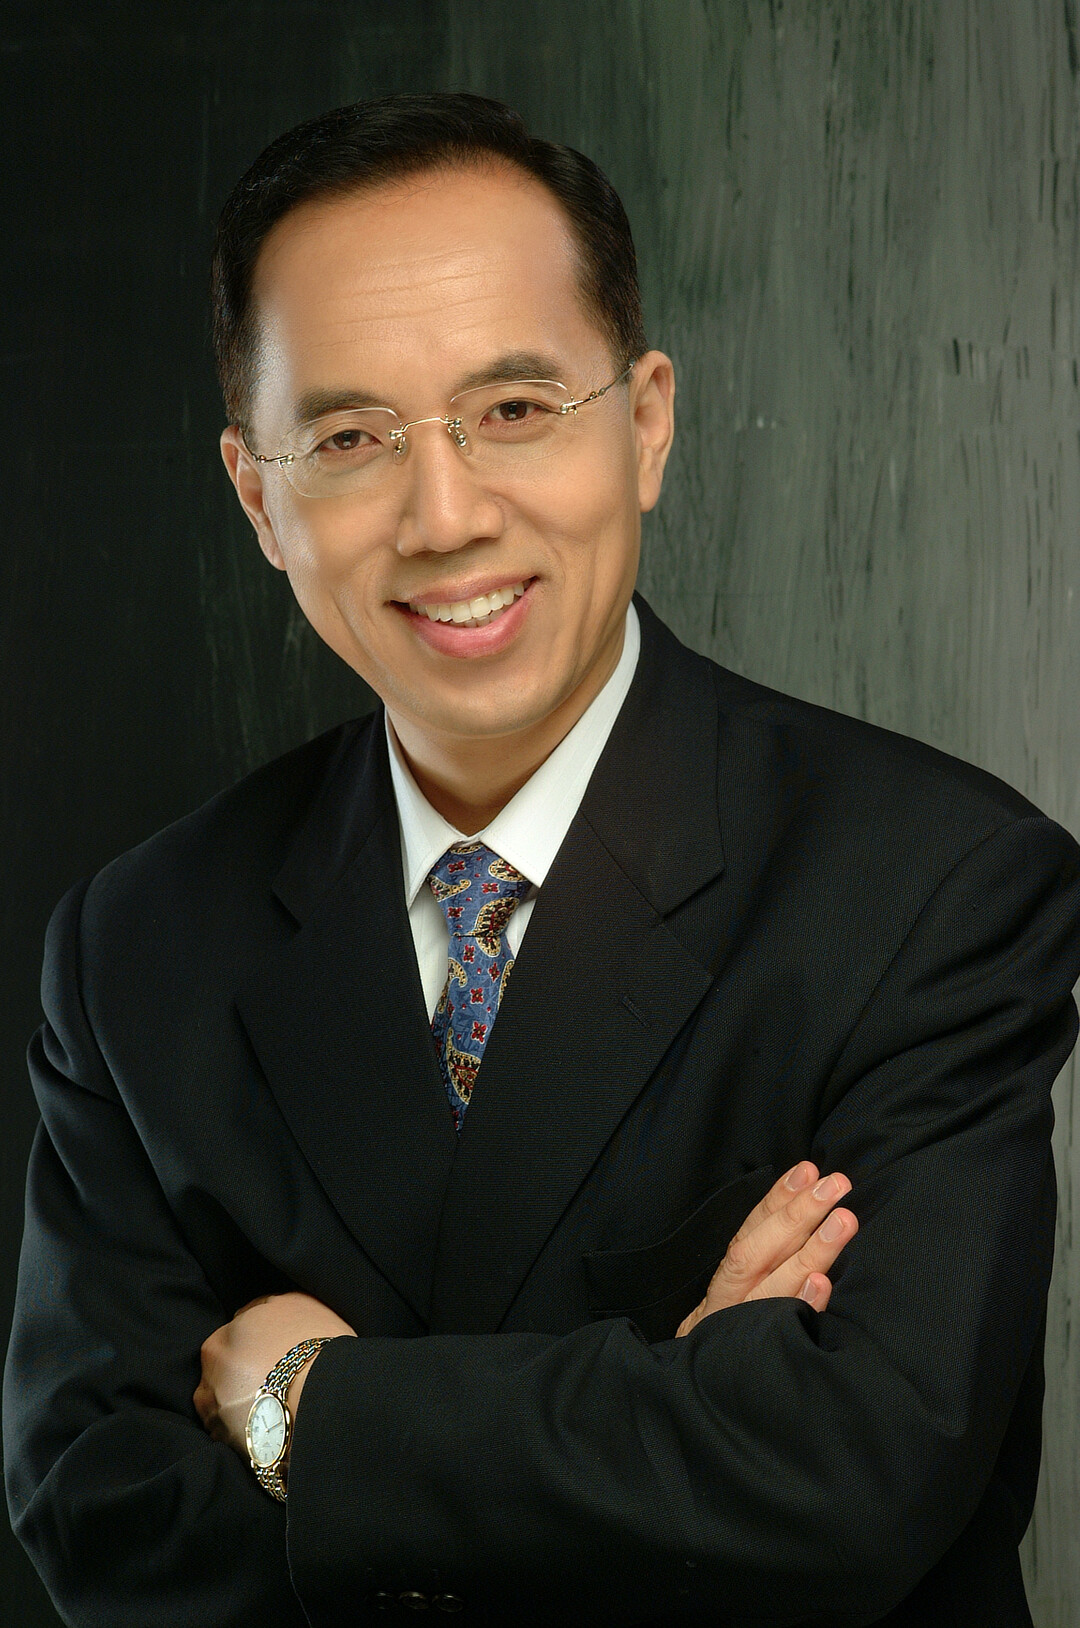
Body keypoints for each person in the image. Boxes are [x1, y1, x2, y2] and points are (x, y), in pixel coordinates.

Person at [5, 91, 1080, 1628]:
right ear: (258, 499)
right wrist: (673, 1416)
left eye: (514, 410)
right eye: (351, 439)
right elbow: (101, 1521)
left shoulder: (933, 887)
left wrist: (310, 1413)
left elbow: (848, 1481)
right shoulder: (137, 947)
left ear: (646, 424)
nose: (445, 516)